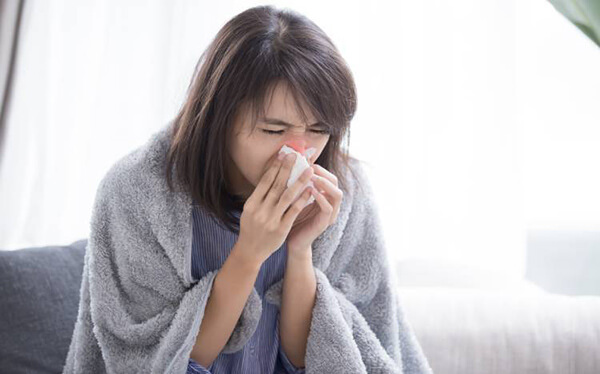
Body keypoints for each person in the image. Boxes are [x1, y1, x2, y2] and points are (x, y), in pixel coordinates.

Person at [63, 4, 433, 374]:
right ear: (218, 118)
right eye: (274, 130)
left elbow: (318, 361)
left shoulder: (347, 194)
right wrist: (249, 253)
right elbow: (159, 363)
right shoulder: (137, 193)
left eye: (319, 130)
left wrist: (300, 249)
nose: (299, 153)